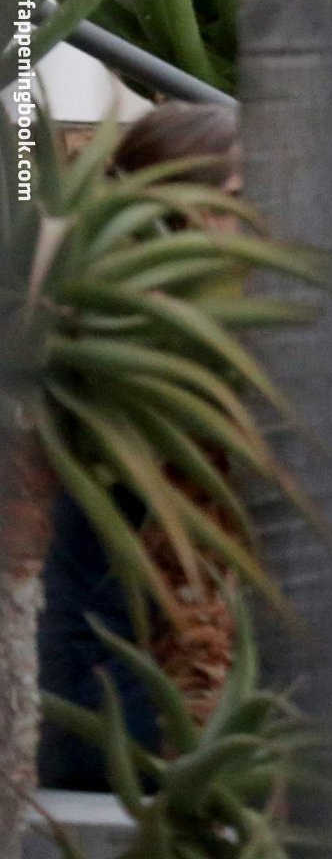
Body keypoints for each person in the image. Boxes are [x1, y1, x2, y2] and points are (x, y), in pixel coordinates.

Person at [38, 102, 243, 790]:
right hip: (110, 708)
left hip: (177, 685)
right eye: (238, 198)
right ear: (173, 209)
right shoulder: (113, 349)